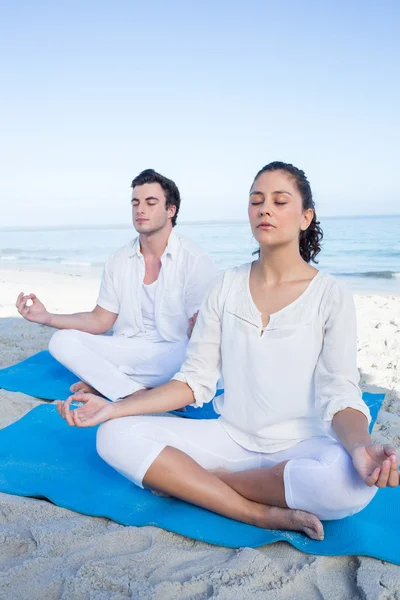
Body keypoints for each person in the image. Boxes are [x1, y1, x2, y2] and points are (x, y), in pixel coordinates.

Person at [57, 162, 399, 540]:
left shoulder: (330, 294)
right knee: (113, 434)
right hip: (228, 438)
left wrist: (362, 447)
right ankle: (252, 511)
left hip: (302, 448)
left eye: (279, 201)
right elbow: (194, 382)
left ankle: (205, 483)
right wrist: (114, 407)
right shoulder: (225, 285)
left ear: (305, 217)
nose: (264, 209)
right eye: (256, 201)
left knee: (351, 485)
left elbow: (341, 392)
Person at [16, 169, 216, 401]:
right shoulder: (118, 260)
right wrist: (47, 317)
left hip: (174, 353)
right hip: (128, 349)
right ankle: (137, 392)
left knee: (190, 354)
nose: (140, 210)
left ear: (171, 210)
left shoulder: (195, 260)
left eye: (151, 203)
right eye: (135, 203)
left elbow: (203, 337)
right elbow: (100, 320)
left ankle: (111, 384)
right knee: (61, 342)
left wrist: (199, 327)